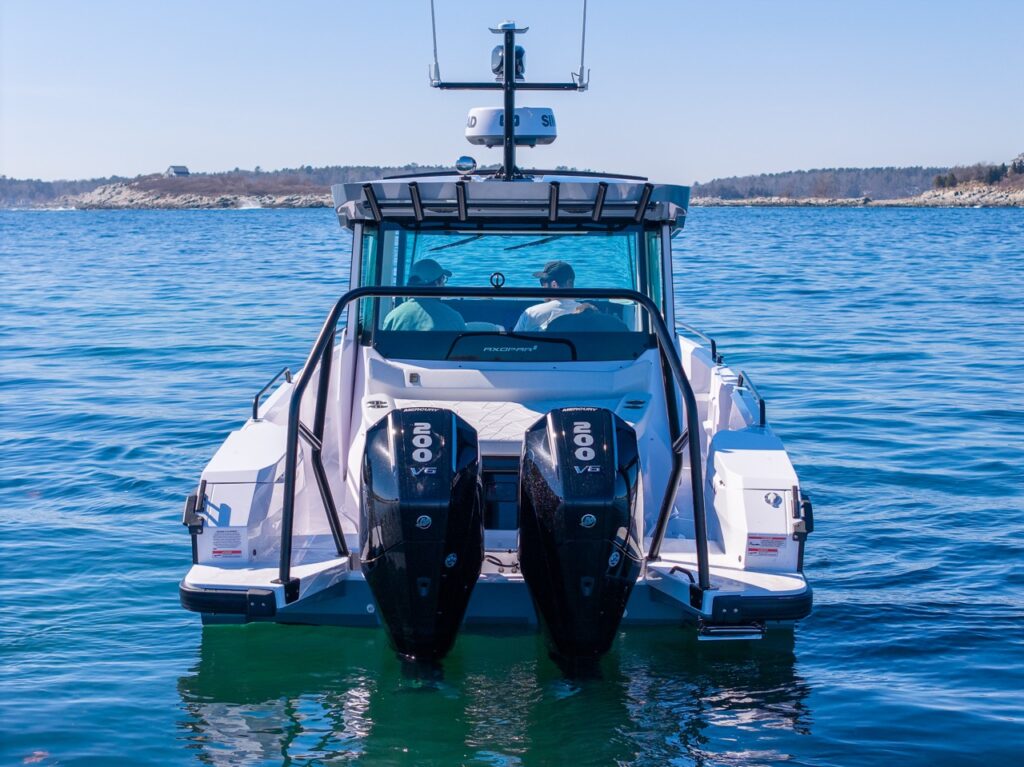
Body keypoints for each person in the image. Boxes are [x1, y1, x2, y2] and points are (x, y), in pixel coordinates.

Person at [382, 258, 466, 331]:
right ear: (437, 283)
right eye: (443, 279)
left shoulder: (393, 317)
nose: (444, 284)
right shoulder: (454, 318)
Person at [513, 260, 580, 332]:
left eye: (543, 282)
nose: (542, 287)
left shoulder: (531, 314)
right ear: (570, 283)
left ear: (554, 285)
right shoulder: (587, 312)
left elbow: (515, 342)